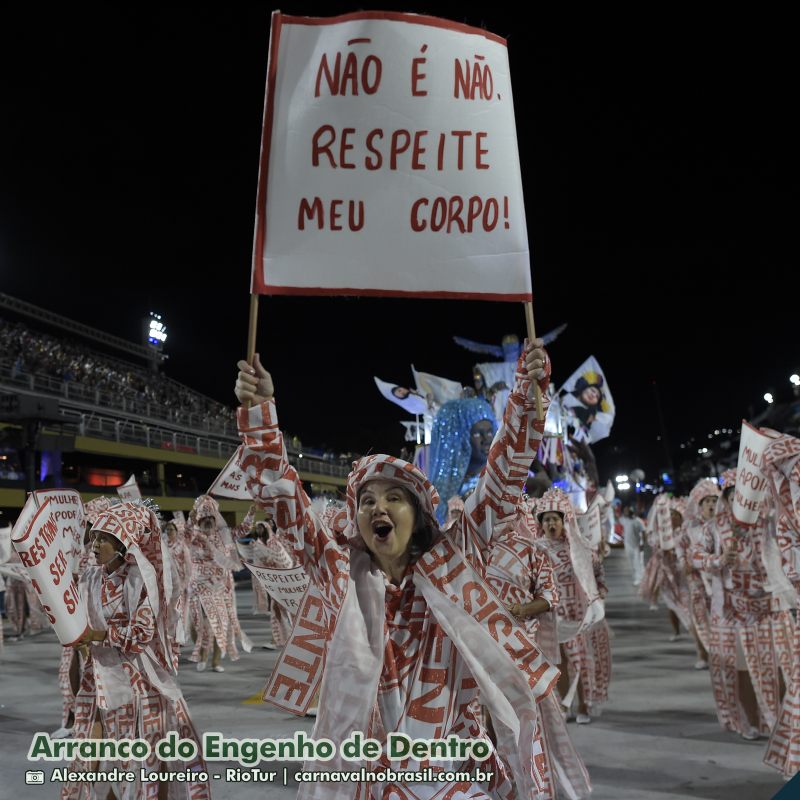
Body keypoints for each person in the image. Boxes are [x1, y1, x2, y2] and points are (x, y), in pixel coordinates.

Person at [234, 342, 559, 799]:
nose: (377, 507)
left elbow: (504, 479)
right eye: (366, 500)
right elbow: (282, 498)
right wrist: (260, 414)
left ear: (419, 514)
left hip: (451, 775)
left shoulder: (457, 559)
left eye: (394, 498)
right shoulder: (339, 571)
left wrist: (527, 392)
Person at [63, 499, 209, 800]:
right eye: (94, 536)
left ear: (122, 542)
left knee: (148, 758)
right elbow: (77, 625)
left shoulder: (143, 579)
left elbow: (141, 636)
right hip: (98, 676)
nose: (95, 543)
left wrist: (95, 635)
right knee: (90, 755)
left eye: (104, 538)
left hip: (139, 680)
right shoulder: (90, 578)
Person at [691, 470, 793, 741]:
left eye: (746, 495)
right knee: (741, 669)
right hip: (732, 611)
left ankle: (785, 723)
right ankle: (752, 722)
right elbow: (697, 556)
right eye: (735, 495)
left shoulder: (770, 521)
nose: (742, 500)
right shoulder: (713, 527)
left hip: (769, 609)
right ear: (728, 498)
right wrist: (721, 559)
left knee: (780, 667)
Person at [532, 488, 605, 725]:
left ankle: (584, 705)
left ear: (564, 521)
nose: (551, 523)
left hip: (575, 614)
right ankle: (565, 704)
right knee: (559, 663)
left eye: (556, 519)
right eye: (547, 519)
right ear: (540, 523)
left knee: (580, 661)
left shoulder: (577, 546)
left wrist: (598, 589)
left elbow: (596, 569)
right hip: (551, 617)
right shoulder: (535, 548)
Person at [187, 495, 253, 672]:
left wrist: (250, 514)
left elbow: (243, 529)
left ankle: (215, 661)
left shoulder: (224, 535)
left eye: (211, 518)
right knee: (194, 624)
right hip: (198, 587)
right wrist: (192, 515)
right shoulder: (194, 536)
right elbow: (184, 533)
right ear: (199, 520)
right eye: (204, 518)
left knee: (221, 623)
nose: (208, 521)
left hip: (220, 587)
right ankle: (202, 652)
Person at [428, 396, 496, 523]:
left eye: (490, 432)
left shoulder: (499, 480)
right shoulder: (438, 497)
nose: (486, 440)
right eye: (477, 433)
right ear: (457, 440)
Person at [619, 505, 645, 586]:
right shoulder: (624, 520)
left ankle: (640, 578)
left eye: (627, 511)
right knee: (631, 563)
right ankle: (636, 577)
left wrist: (642, 543)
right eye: (625, 511)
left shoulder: (638, 521)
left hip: (637, 545)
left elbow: (643, 532)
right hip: (627, 545)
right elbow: (618, 518)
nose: (626, 513)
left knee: (637, 562)